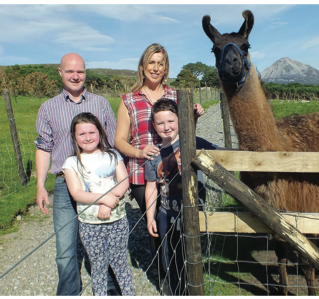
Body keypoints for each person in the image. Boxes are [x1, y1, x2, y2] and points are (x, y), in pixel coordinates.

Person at [35, 53, 121, 295]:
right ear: (60, 73)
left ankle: (109, 288)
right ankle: (68, 291)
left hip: (99, 182)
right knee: (65, 247)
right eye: (70, 71)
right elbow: (43, 148)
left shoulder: (101, 104)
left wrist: (118, 182)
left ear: (86, 73)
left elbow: (113, 144)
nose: (75, 76)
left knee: (102, 239)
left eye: (80, 71)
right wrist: (40, 185)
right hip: (64, 184)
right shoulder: (47, 108)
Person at [114, 43, 204, 252]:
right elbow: (119, 140)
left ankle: (180, 271)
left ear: (166, 68)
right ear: (143, 66)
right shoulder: (129, 100)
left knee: (178, 220)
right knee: (155, 222)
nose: (155, 68)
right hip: (141, 175)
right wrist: (139, 152)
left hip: (174, 169)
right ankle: (163, 274)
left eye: (160, 63)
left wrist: (194, 116)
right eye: (151, 62)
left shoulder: (176, 96)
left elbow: (185, 133)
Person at [144, 99, 223, 295]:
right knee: (170, 256)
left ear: (180, 120)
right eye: (160, 123)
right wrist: (149, 217)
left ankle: (194, 289)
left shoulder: (194, 143)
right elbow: (151, 187)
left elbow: (224, 154)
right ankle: (177, 291)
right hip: (166, 213)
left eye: (171, 121)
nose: (166, 127)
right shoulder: (153, 154)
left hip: (193, 212)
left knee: (193, 253)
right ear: (153, 125)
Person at [62, 113, 135, 296]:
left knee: (120, 262)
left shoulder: (112, 155)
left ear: (100, 133)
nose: (87, 138)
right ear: (74, 137)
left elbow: (124, 181)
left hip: (117, 220)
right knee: (99, 265)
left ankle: (128, 293)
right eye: (82, 134)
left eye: (92, 132)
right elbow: (77, 192)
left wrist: (109, 203)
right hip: (90, 225)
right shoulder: (71, 163)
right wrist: (103, 199)